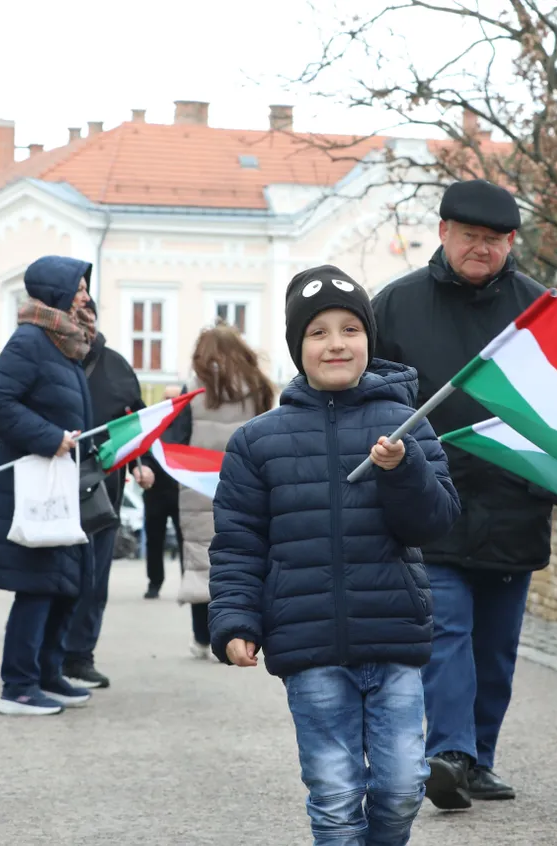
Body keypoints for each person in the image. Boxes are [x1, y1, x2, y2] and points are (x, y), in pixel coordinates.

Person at [208, 266, 461, 845]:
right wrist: (233, 621)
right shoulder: (257, 442)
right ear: (300, 347)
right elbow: (239, 543)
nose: (336, 343)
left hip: (394, 636)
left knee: (401, 789)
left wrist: (404, 470)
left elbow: (438, 522)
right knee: (336, 796)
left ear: (369, 339)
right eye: (318, 332)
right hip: (310, 645)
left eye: (350, 328)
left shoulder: (407, 423)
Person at [372, 179, 555, 809]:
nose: (483, 249)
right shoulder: (395, 307)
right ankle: (448, 754)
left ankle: (479, 759)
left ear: (512, 243)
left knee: (495, 647)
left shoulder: (540, 313)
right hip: (430, 501)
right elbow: (371, 400)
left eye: (496, 240)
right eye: (471, 237)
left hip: (514, 502)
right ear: (444, 232)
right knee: (445, 631)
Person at [0, 255, 99, 716]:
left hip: (58, 482)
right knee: (38, 584)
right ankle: (18, 686)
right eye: (78, 287)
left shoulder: (63, 344)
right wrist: (49, 439)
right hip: (33, 482)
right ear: (54, 291)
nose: (85, 295)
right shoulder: (31, 340)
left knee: (63, 582)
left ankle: (48, 673)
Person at [62, 316, 155, 690]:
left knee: (95, 578)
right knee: (55, 576)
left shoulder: (116, 365)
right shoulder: (51, 361)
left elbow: (135, 423)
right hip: (53, 484)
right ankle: (46, 655)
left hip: (103, 488)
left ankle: (80, 656)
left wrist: (140, 463)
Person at [178, 324, 274, 659]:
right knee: (245, 550)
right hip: (246, 479)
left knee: (200, 556)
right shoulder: (259, 388)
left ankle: (202, 638)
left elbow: (177, 438)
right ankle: (241, 631)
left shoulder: (193, 392)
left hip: (197, 485)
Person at [140, 385, 187, 600]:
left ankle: (188, 583)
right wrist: (143, 469)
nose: (169, 402)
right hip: (155, 491)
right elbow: (143, 451)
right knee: (154, 540)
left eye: (174, 398)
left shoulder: (188, 425)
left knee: (186, 540)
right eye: (166, 398)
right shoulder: (152, 424)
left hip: (181, 491)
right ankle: (154, 583)